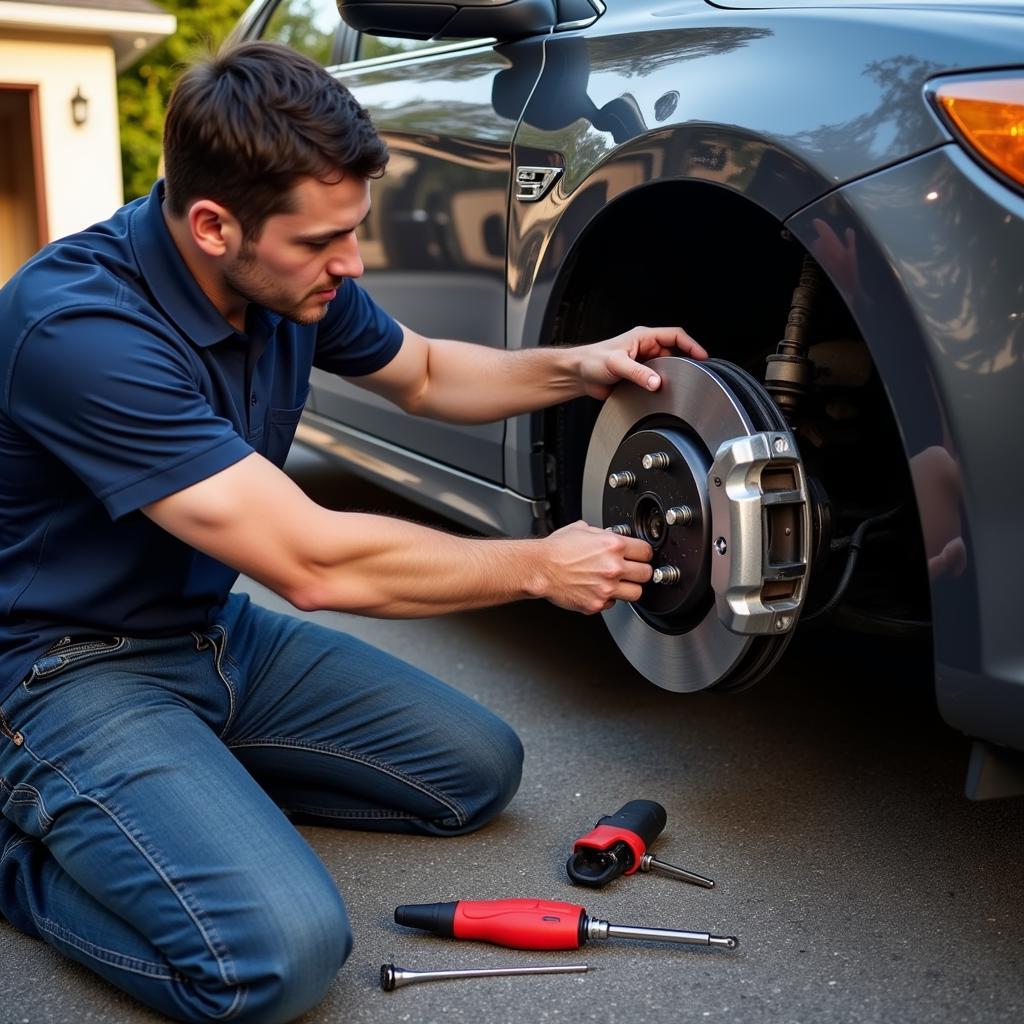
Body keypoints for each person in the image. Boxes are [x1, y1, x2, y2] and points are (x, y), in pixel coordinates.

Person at [0, 41, 707, 1023]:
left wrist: (581, 364)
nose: (352, 263)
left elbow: (421, 372)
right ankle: (29, 851)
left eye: (353, 231)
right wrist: (539, 567)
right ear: (212, 224)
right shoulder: (77, 330)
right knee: (274, 955)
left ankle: (171, 797)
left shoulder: (282, 278)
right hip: (66, 672)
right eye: (324, 241)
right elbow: (313, 560)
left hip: (211, 637)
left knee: (474, 771)